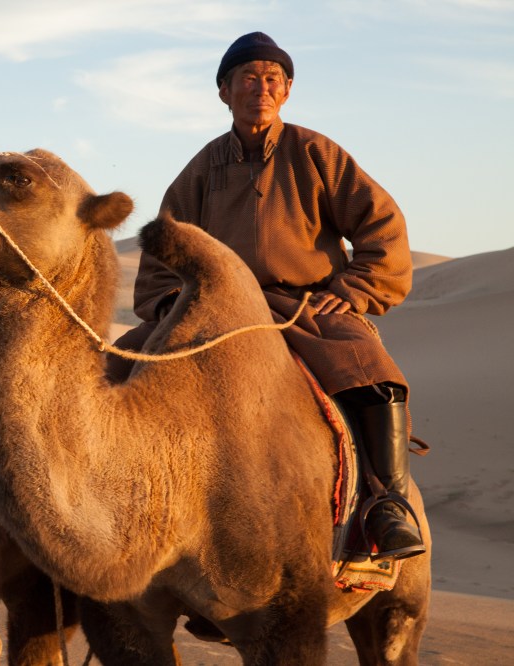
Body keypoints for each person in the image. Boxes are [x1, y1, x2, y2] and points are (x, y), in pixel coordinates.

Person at [119, 31, 424, 561]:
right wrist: (171, 304)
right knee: (117, 367)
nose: (260, 88)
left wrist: (354, 287)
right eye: (248, 78)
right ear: (224, 91)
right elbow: (163, 246)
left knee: (370, 372)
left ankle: (386, 505)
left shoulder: (315, 152)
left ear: (286, 91)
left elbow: (383, 226)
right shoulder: (201, 169)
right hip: (219, 307)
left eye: (272, 79)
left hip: (305, 306)